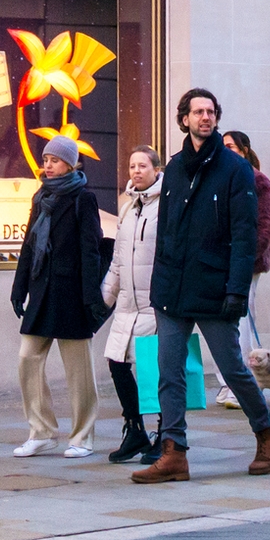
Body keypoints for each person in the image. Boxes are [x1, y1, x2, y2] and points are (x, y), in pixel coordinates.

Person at [132, 89, 270, 484]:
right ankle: (174, 452)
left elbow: (245, 234)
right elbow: (166, 229)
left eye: (210, 111)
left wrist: (236, 290)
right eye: (198, 111)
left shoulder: (235, 169)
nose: (205, 117)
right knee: (169, 372)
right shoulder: (174, 167)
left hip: (215, 288)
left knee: (232, 369)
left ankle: (267, 434)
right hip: (172, 289)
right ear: (184, 119)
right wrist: (158, 283)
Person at [9, 136, 107, 457]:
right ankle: (42, 431)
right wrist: (19, 287)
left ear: (71, 163)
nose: (48, 166)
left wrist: (91, 297)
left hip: (71, 293)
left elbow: (91, 250)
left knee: (79, 371)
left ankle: (82, 437)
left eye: (54, 160)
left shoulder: (83, 198)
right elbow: (29, 244)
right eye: (46, 160)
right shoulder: (42, 196)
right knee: (27, 358)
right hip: (41, 290)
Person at [101, 146, 164, 464]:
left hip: (155, 304)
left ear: (156, 169)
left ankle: (166, 433)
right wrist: (105, 298)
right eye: (132, 166)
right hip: (127, 304)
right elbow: (117, 259)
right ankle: (135, 429)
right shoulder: (127, 208)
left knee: (156, 370)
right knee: (117, 363)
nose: (136, 171)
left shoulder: (166, 205)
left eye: (142, 166)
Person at [215, 130, 270, 408]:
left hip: (245, 264)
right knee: (222, 323)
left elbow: (266, 226)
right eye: (223, 146)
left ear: (244, 150)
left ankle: (242, 383)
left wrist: (245, 259)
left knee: (241, 320)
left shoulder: (258, 181)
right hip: (220, 262)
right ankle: (227, 382)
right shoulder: (221, 179)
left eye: (231, 146)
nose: (225, 151)